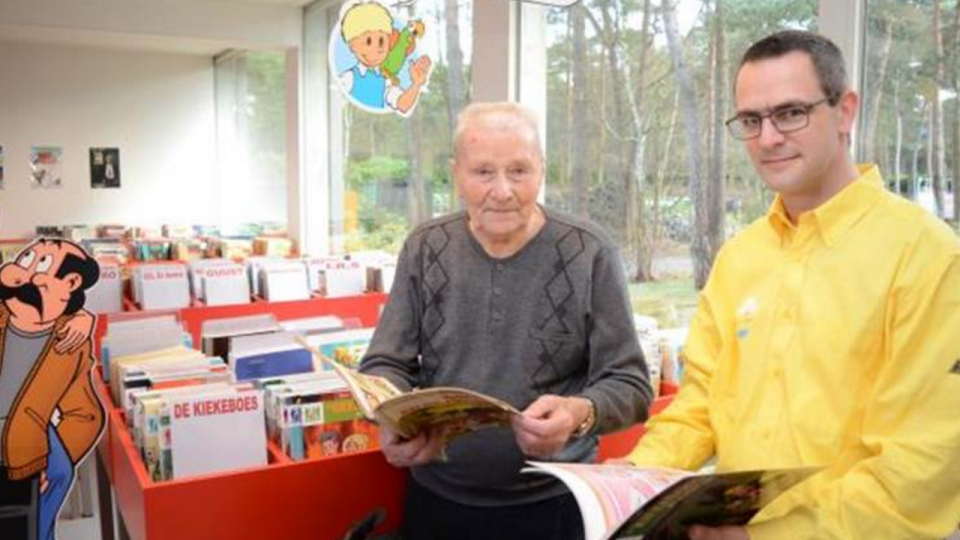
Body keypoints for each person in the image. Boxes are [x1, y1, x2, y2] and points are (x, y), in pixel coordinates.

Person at [625, 30, 960, 540]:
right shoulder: (740, 258)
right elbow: (697, 410)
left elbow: (924, 462)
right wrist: (630, 485)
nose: (768, 138)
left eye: (790, 113)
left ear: (844, 111)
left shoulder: (927, 256)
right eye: (751, 120)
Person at [360, 101, 652, 539]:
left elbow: (631, 384)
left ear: (542, 170)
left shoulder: (591, 252)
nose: (502, 190)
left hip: (556, 506)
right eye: (483, 173)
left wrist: (578, 413)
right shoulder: (424, 246)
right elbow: (385, 363)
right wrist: (391, 415)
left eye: (519, 171)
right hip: (437, 503)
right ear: (457, 173)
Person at [0, 238, 105, 540]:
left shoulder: (69, 344)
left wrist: (48, 460)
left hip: (22, 445)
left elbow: (85, 414)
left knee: (46, 491)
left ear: (71, 282)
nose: (23, 274)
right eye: (25, 261)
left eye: (42, 264)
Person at [338, 1, 431, 115]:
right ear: (352, 46)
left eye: (382, 41)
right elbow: (335, 99)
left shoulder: (385, 80)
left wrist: (416, 83)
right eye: (368, 41)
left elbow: (402, 104)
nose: (376, 49)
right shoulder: (349, 77)